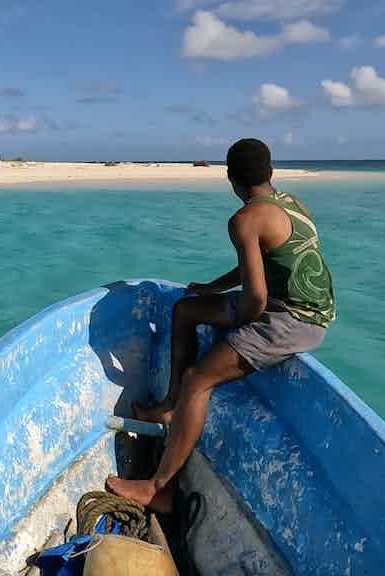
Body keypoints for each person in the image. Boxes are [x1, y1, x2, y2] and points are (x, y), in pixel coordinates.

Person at [106, 137, 336, 510]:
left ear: (230, 178)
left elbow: (256, 297)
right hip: (305, 306)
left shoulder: (244, 219)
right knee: (186, 310)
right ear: (271, 173)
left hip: (292, 318)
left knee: (198, 379)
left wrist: (238, 329)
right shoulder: (292, 203)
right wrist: (212, 290)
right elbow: (257, 264)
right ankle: (169, 405)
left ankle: (158, 489)